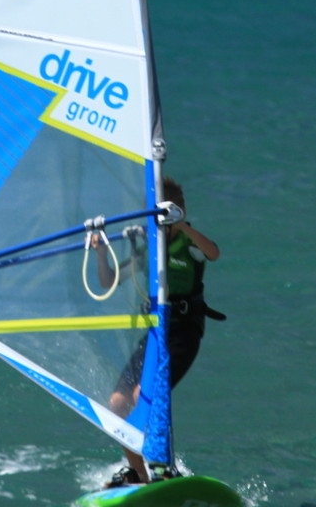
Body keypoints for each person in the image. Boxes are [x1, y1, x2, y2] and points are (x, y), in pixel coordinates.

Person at [91, 175, 225, 487]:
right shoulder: (149, 247)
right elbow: (108, 281)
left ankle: (164, 467)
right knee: (117, 403)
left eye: (171, 210)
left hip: (184, 332)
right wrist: (100, 252)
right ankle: (138, 472)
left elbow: (214, 252)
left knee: (144, 394)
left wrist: (181, 225)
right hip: (155, 335)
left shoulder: (189, 243)